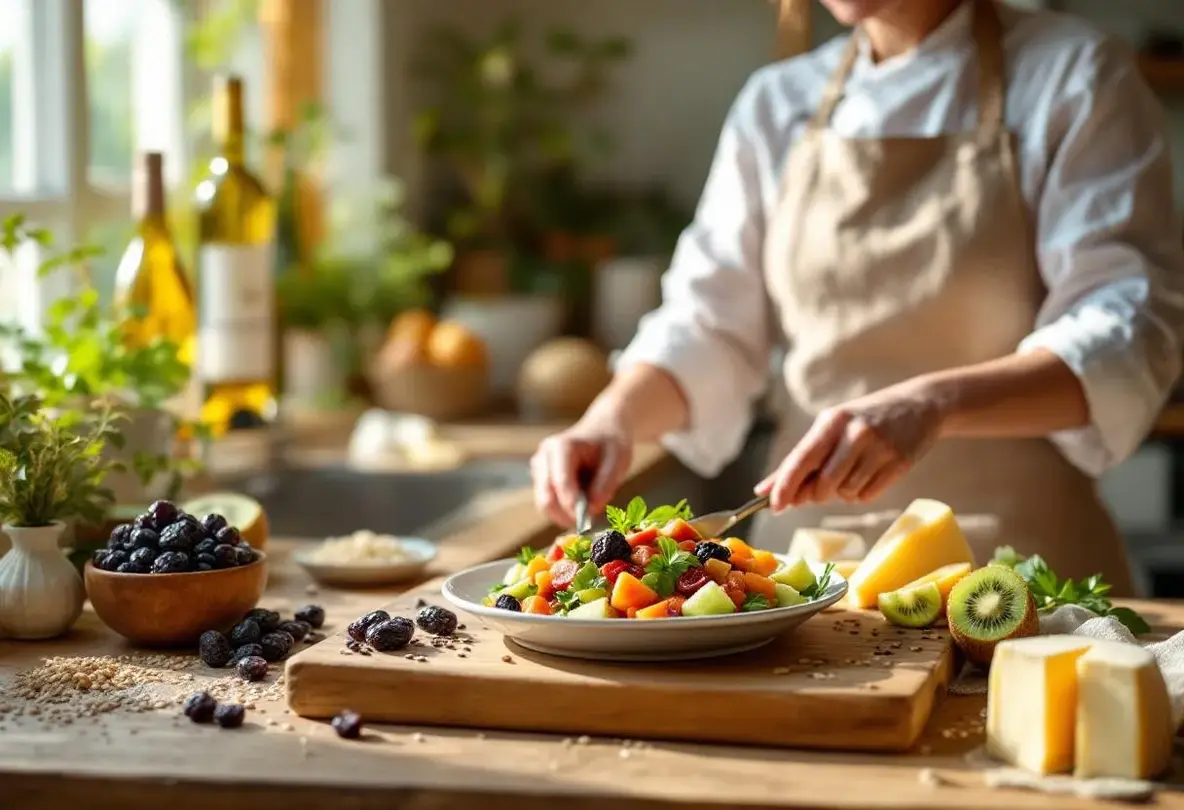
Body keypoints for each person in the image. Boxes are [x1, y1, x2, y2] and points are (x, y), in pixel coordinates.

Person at [531, 0, 1184, 593]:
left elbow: (1128, 329)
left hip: (1015, 578)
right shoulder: (777, 102)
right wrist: (609, 419)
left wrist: (933, 404)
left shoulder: (1073, 75)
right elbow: (706, 324)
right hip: (802, 581)